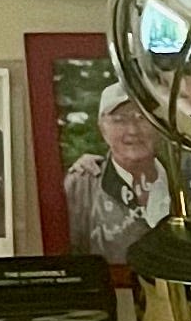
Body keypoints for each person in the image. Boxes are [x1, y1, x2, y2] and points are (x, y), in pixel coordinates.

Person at [61, 95, 170, 264]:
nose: (133, 130)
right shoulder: (82, 184)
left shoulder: (182, 177)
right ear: (103, 129)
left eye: (142, 118)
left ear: (159, 126)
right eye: (119, 120)